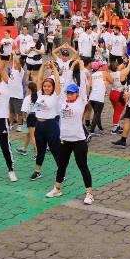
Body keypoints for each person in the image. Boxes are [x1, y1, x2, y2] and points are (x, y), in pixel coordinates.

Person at [48, 74, 95, 205]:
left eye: (72, 93)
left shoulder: (81, 102)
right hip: (65, 141)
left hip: (79, 141)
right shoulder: (62, 102)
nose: (69, 95)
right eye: (68, 92)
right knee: (61, 165)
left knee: (82, 166)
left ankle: (89, 194)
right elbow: (64, 82)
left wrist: (80, 67)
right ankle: (57, 189)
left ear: (77, 94)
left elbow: (83, 86)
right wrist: (67, 69)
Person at [28, 63, 62, 181]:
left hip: (51, 125)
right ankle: (37, 171)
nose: (46, 88)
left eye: (49, 86)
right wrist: (42, 66)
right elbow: (39, 79)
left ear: (53, 87)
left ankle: (61, 172)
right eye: (45, 86)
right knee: (40, 150)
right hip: (39, 126)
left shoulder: (55, 96)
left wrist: (54, 68)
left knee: (55, 150)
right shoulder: (39, 95)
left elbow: (57, 81)